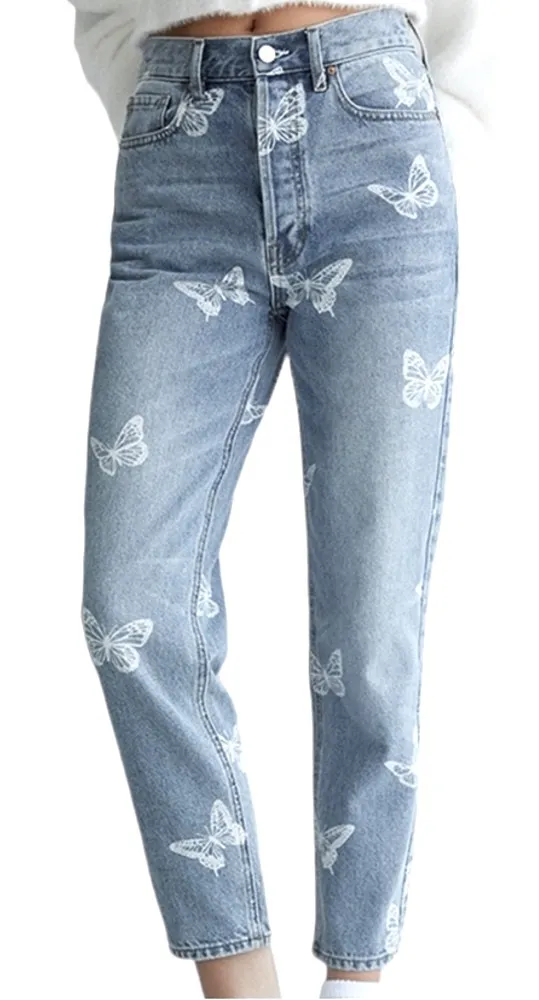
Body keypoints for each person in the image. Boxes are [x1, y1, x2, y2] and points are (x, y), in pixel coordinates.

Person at [68, 2, 489, 998]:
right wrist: (170, 109)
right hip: (180, 146)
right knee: (128, 603)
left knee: (371, 617)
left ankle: (354, 979)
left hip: (374, 134)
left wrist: (439, 120)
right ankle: (237, 981)